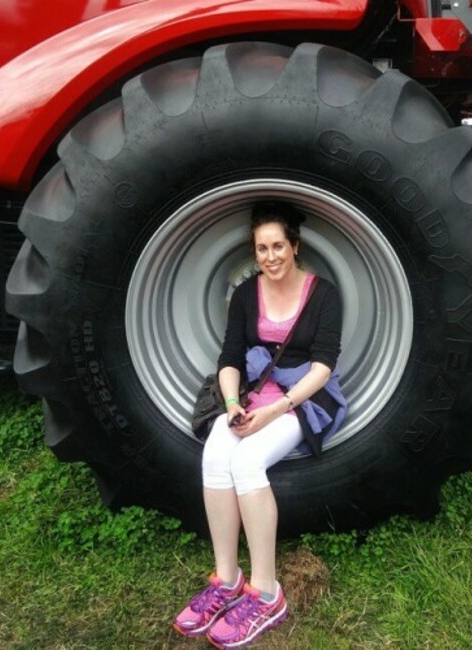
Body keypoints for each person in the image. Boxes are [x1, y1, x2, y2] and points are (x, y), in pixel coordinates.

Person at [174, 201, 346, 648]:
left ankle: (268, 593)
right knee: (216, 452)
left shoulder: (324, 294)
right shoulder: (247, 293)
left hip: (301, 398)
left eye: (278, 247)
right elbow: (230, 358)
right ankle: (227, 580)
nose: (270, 257)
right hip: (252, 393)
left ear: (295, 246)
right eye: (261, 248)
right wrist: (231, 404)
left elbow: (323, 366)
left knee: (248, 460)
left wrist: (275, 411)